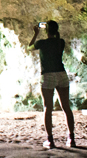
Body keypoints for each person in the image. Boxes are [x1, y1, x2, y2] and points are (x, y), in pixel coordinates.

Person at [28, 20, 75, 149]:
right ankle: (71, 139)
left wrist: (36, 33)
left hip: (48, 75)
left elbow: (29, 47)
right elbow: (57, 41)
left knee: (48, 108)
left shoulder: (41, 43)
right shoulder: (61, 42)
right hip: (61, 74)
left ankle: (50, 140)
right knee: (66, 107)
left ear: (46, 30)